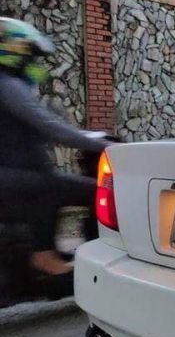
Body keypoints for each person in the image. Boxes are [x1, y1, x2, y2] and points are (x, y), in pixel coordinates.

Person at [0, 17, 107, 277]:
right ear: (15, 51)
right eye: (30, 55)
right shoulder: (7, 85)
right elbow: (50, 126)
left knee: (47, 184)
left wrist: (90, 136)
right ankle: (45, 254)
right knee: (90, 191)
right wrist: (103, 144)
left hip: (11, 176)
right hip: (11, 179)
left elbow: (40, 127)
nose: (33, 64)